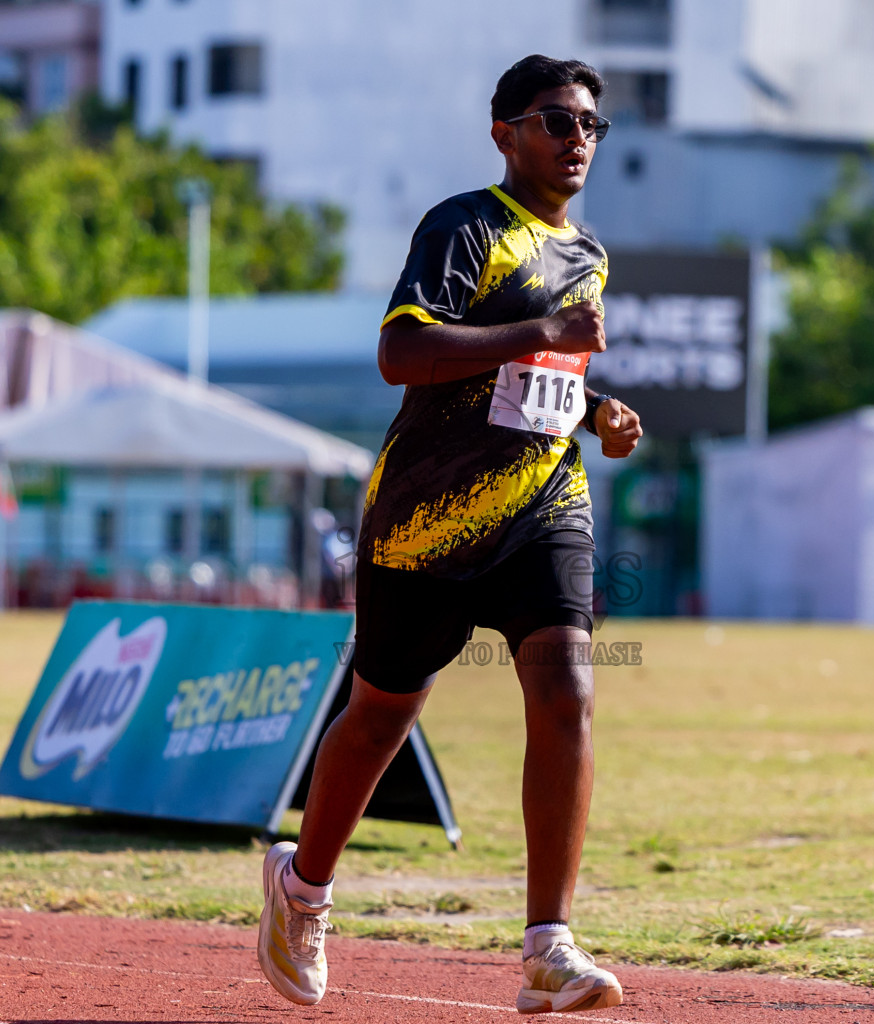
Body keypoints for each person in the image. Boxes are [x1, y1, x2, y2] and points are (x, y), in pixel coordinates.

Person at [256, 55, 643, 1015]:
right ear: (505, 132)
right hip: (425, 519)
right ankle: (302, 889)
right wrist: (543, 331)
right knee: (383, 712)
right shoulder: (464, 226)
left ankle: (550, 946)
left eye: (592, 124)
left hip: (543, 504)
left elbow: (536, 385)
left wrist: (596, 412)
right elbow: (403, 352)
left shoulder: (587, 256)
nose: (578, 139)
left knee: (570, 689)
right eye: (557, 120)